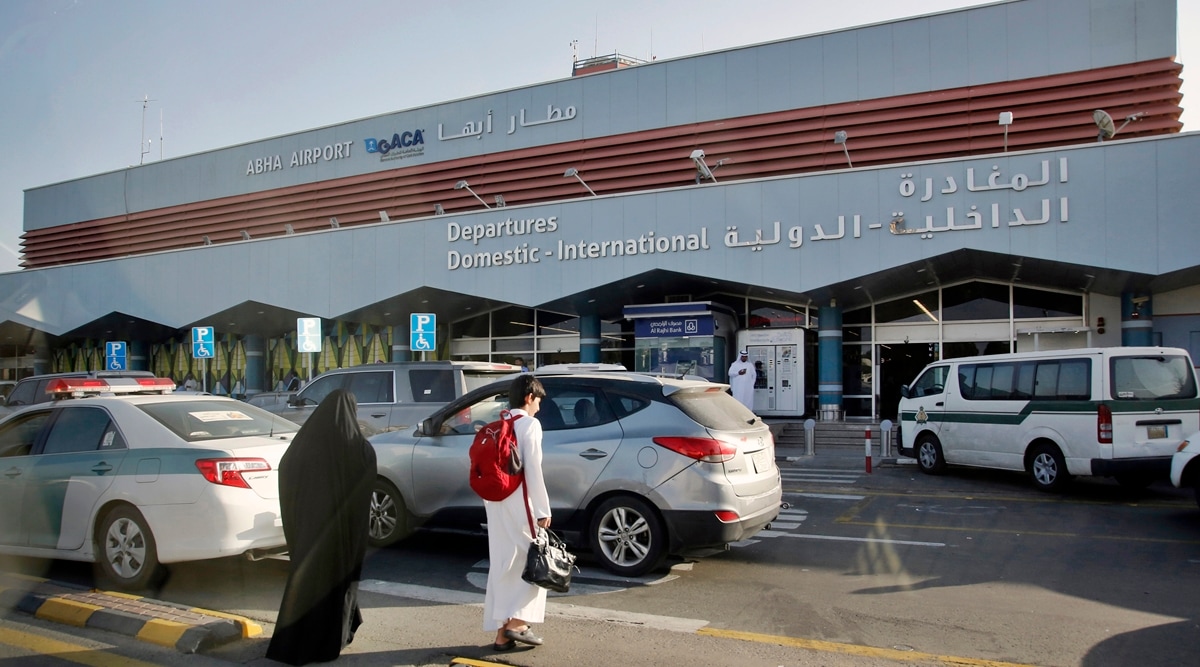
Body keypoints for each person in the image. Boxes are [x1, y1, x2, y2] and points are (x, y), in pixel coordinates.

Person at [267, 389, 378, 666]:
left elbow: (286, 471)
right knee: (339, 583)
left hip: (309, 531)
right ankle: (331, 638)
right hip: (343, 535)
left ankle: (297, 640)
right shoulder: (359, 448)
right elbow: (367, 487)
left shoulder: (303, 445)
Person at [483, 374, 551, 652]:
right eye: (538, 401)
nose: (538, 408)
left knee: (503, 564)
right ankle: (518, 623)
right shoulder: (529, 425)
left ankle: (502, 632)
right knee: (534, 563)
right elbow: (533, 469)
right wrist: (543, 509)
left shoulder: (497, 424)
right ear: (529, 397)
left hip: (495, 502)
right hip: (519, 501)